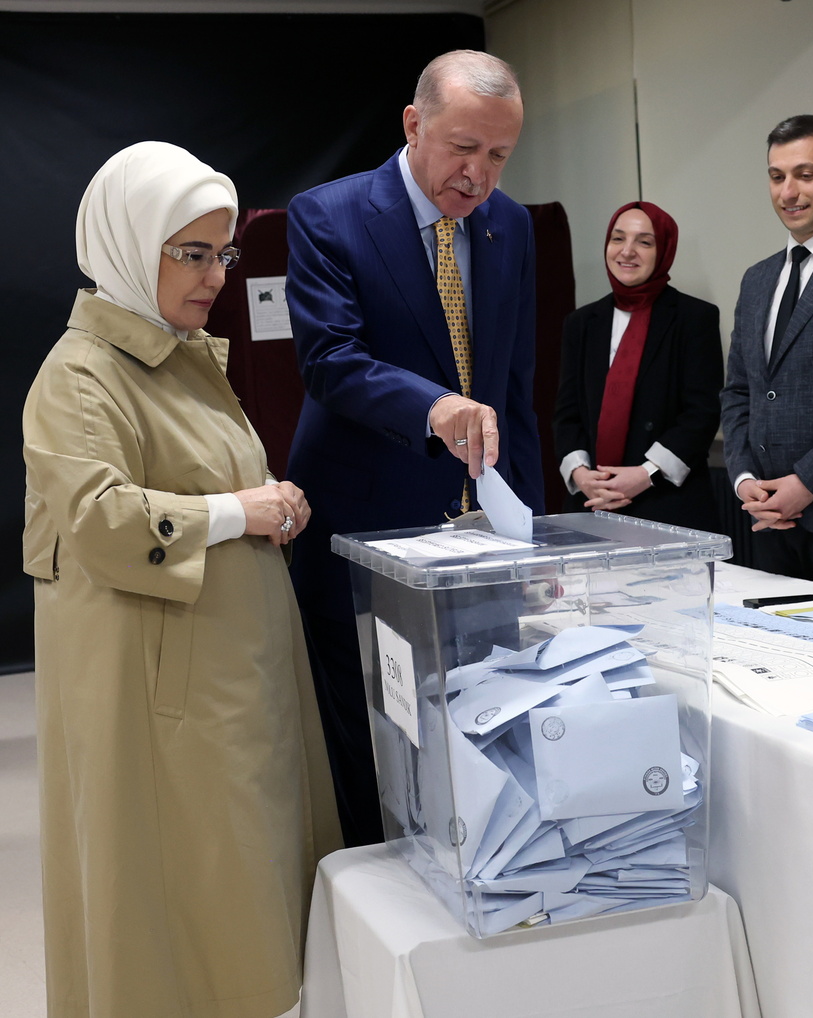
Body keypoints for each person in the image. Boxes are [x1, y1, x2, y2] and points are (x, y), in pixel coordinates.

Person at [22, 141, 341, 1018]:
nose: (213, 276)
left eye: (223, 253)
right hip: (163, 698)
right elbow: (104, 522)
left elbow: (213, 487)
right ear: (130, 244)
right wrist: (243, 511)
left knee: (239, 887)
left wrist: (269, 501)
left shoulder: (179, 353)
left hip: (227, 677)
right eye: (192, 254)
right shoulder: (81, 375)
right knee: (177, 900)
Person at [284, 49, 544, 846]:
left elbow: (513, 385)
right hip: (365, 530)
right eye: (464, 147)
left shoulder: (511, 225)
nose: (480, 175)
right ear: (414, 123)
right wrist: (434, 406)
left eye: (499, 155)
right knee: (372, 741)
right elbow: (331, 360)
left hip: (479, 537)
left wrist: (535, 537)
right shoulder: (327, 215)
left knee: (478, 729)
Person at [553, 201, 723, 532]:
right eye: (618, 239)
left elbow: (701, 414)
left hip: (669, 504)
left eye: (644, 242)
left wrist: (644, 474)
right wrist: (581, 475)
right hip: (591, 505)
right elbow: (567, 413)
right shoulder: (581, 322)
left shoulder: (695, 318)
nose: (627, 251)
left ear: (664, 251)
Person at [721, 114, 813, 581]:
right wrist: (745, 479)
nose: (788, 192)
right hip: (767, 521)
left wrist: (807, 482)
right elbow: (738, 393)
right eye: (777, 177)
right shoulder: (758, 279)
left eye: (806, 175)